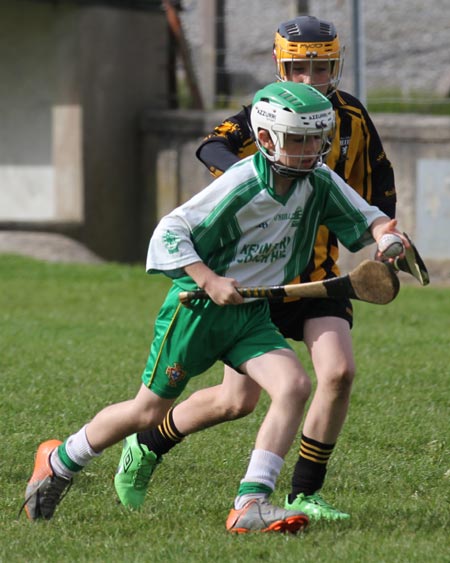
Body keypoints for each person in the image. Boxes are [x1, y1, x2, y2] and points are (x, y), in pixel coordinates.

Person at [22, 81, 406, 534]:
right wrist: (208, 279)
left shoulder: (318, 181)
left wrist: (387, 238)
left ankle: (250, 502)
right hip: (197, 310)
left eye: (318, 139)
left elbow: (368, 217)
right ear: (266, 140)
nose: (313, 149)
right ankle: (60, 459)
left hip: (250, 316)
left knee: (294, 385)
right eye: (300, 139)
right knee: (147, 411)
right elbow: (169, 231)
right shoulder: (242, 183)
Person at [114, 16, 398, 521]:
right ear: (281, 66)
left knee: (338, 372)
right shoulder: (265, 111)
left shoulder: (352, 116)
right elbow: (212, 145)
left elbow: (378, 185)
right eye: (300, 67)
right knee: (234, 401)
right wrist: (258, 186)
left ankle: (303, 493)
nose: (311, 78)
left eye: (322, 67)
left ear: (337, 64)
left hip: (317, 279)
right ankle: (147, 445)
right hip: (256, 279)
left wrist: (385, 239)